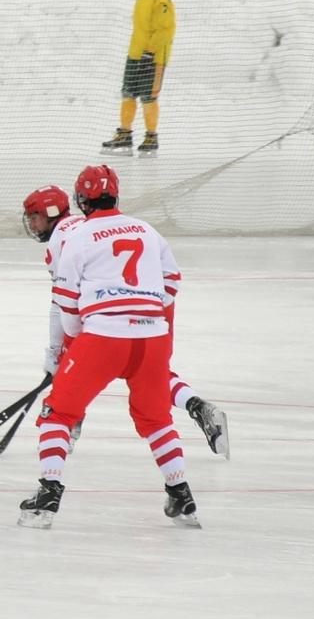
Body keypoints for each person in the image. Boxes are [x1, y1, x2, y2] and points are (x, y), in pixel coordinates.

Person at [20, 163, 200, 529]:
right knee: (155, 417)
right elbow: (172, 281)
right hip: (151, 338)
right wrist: (144, 310)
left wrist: (75, 344)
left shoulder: (79, 238)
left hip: (104, 338)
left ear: (81, 201)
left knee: (59, 412)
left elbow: (68, 305)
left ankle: (49, 491)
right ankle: (181, 493)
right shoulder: (147, 230)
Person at [20, 184, 228, 458]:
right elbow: (171, 277)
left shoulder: (61, 240)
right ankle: (197, 405)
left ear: (49, 214)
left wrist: (56, 351)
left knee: (75, 371)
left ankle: (66, 431)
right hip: (153, 305)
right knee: (149, 373)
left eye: (34, 217)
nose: (31, 225)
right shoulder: (89, 223)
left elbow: (63, 303)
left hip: (113, 309)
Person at [102, 0, 174, 156]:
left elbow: (165, 30)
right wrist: (137, 52)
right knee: (128, 94)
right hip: (136, 54)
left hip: (153, 58)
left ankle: (151, 137)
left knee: (148, 97)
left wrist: (150, 51)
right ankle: (124, 133)